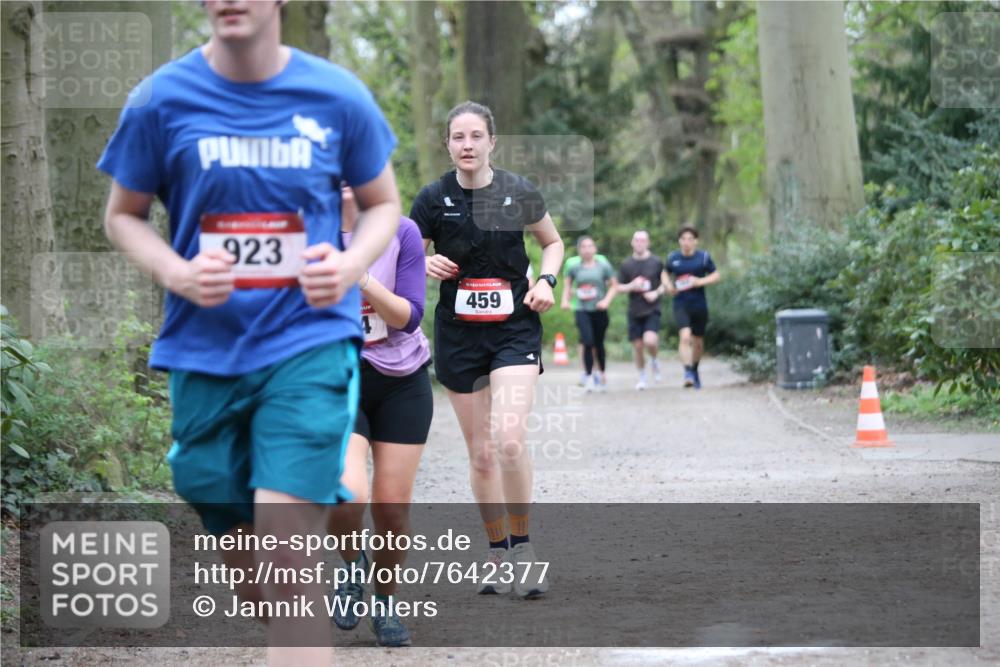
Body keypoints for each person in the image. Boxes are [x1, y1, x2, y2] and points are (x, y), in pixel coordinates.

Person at [97, 1, 400, 662]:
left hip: (308, 342)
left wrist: (349, 264)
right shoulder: (160, 98)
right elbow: (123, 215)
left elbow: (382, 202)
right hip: (202, 350)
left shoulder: (337, 95)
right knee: (249, 556)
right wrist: (177, 273)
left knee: (285, 542)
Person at [410, 101, 564, 598]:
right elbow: (405, 256)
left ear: (492, 142)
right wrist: (426, 264)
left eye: (476, 136)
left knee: (509, 440)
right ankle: (497, 552)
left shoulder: (518, 191)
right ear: (448, 145)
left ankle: (523, 546)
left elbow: (553, 243)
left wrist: (546, 279)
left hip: (514, 329)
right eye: (458, 137)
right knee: (480, 457)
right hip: (458, 333)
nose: (468, 145)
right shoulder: (433, 198)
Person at [325, 186, 432, 647]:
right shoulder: (309, 233)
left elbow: (408, 316)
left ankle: (385, 603)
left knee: (391, 508)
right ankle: (352, 565)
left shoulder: (402, 231)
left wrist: (362, 278)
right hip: (334, 378)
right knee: (347, 494)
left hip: (402, 380)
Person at [661, 226, 721, 388]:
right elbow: (665, 272)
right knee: (685, 336)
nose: (686, 242)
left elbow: (716, 275)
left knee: (698, 342)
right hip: (681, 303)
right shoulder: (673, 258)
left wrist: (699, 281)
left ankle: (695, 369)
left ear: (695, 241)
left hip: (699, 304)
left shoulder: (703, 257)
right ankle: (687, 371)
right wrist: (668, 285)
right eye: (683, 239)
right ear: (679, 241)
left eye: (690, 239)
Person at [609, 231, 664, 390]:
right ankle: (642, 376)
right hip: (634, 310)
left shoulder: (656, 262)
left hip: (652, 309)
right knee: (638, 346)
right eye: (637, 240)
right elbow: (618, 287)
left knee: (650, 340)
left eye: (643, 240)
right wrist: (631, 286)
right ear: (632, 243)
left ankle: (654, 360)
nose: (640, 243)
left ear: (648, 243)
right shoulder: (627, 264)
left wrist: (656, 293)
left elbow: (665, 284)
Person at [560, 237, 614, 391]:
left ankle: (601, 374)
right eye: (583, 247)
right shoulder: (574, 267)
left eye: (590, 246)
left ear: (595, 249)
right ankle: (589, 376)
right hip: (582, 309)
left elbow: (614, 286)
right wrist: (565, 300)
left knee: (599, 343)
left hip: (599, 310)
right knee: (587, 341)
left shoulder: (603, 266)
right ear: (579, 250)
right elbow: (567, 285)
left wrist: (606, 301)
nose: (587, 249)